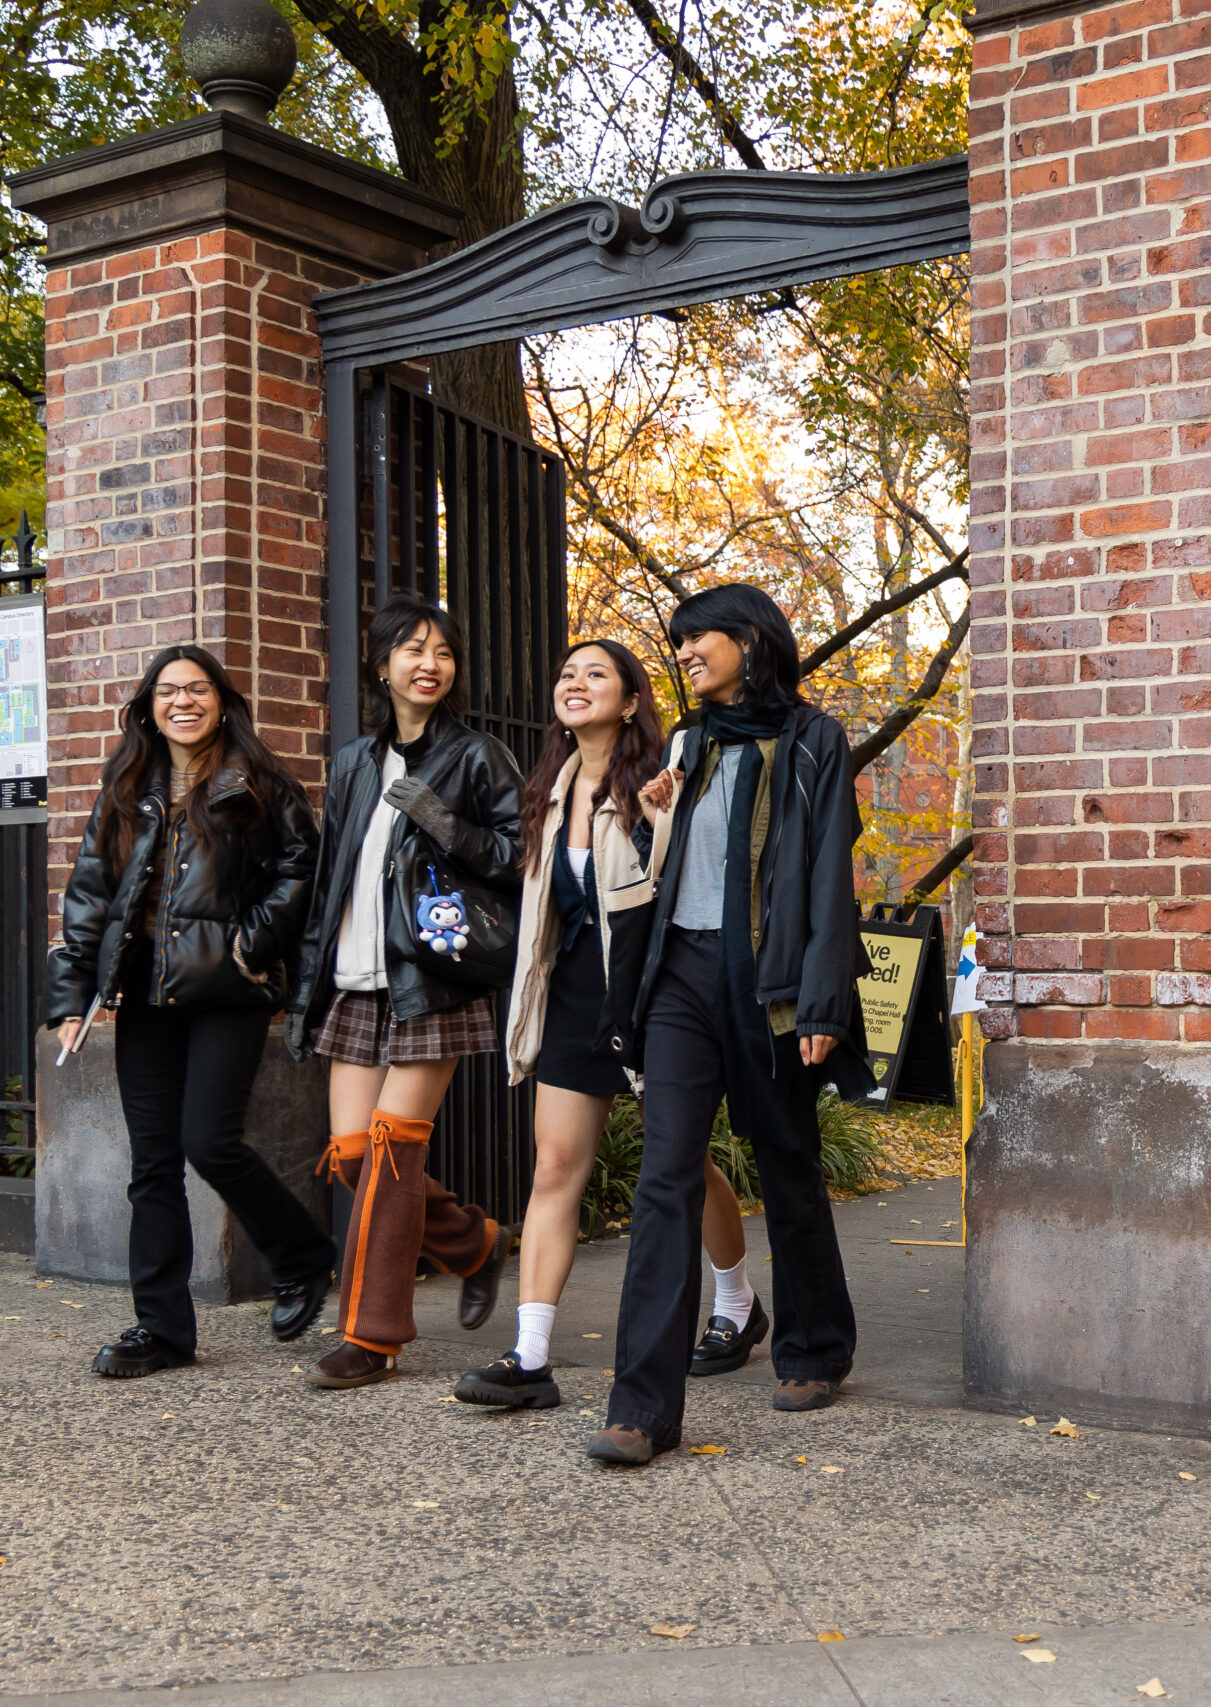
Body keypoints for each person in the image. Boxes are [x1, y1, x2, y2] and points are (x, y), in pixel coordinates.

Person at [587, 584, 875, 1466]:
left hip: (772, 982)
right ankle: (640, 1407)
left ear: (750, 639)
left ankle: (817, 1345)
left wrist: (823, 999)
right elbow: (663, 865)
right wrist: (652, 813)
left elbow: (828, 872)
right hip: (681, 973)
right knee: (666, 1174)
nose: (681, 655)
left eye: (695, 639)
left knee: (786, 1158)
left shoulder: (813, 740)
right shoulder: (686, 742)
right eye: (676, 646)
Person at [454, 640, 763, 1413]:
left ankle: (736, 1301)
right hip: (575, 998)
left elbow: (693, 882)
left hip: (657, 993)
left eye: (596, 673)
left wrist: (662, 817)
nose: (574, 683)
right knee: (555, 1164)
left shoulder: (666, 774)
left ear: (630, 701)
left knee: (678, 1156)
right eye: (565, 673)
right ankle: (530, 1357)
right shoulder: (549, 789)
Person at [47, 645, 333, 1379]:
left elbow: (304, 868)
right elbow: (88, 894)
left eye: (197, 689)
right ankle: (163, 1329)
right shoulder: (127, 783)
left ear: (220, 699)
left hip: (227, 991)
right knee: (152, 1162)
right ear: (149, 706)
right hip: (145, 991)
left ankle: (300, 1253)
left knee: (209, 1141)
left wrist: (251, 943)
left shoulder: (257, 781)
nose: (183, 701)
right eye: (168, 690)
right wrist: (72, 994)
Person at [287, 595, 525, 1390]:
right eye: (413, 649)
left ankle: (372, 1335)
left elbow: (519, 856)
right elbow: (333, 876)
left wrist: (441, 821)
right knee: (354, 1155)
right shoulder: (354, 761)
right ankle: (472, 1241)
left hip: (434, 978)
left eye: (443, 652)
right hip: (356, 979)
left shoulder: (476, 755)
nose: (430, 663)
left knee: (391, 1153)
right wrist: (308, 983)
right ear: (381, 663)